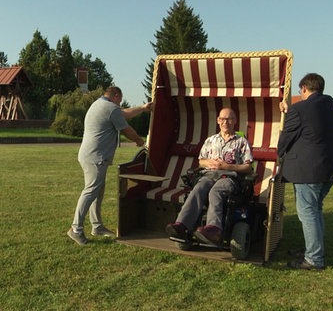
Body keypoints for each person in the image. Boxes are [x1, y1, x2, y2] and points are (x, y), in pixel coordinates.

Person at [67, 86, 153, 245]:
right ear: (116, 95)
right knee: (91, 191)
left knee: (97, 191)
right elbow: (126, 129)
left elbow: (123, 113)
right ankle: (76, 229)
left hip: (91, 156)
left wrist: (142, 108)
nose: (120, 104)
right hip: (95, 157)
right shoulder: (110, 108)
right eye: (119, 100)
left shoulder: (101, 104)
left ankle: (97, 226)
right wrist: (140, 141)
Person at [278, 73, 333, 270]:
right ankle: (313, 249)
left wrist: (278, 153)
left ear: (304, 88)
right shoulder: (329, 103)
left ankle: (314, 258)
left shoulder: (299, 109)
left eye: (300, 91)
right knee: (315, 209)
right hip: (329, 166)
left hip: (308, 170)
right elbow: (311, 122)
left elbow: (286, 138)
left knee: (307, 213)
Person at [166, 108, 253, 246]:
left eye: (229, 119)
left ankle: (214, 229)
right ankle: (182, 225)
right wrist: (209, 162)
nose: (226, 122)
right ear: (218, 120)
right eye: (223, 119)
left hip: (229, 177)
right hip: (209, 174)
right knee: (198, 188)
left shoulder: (241, 142)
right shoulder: (210, 140)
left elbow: (248, 167)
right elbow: (201, 161)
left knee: (215, 191)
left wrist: (227, 166)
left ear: (235, 121)